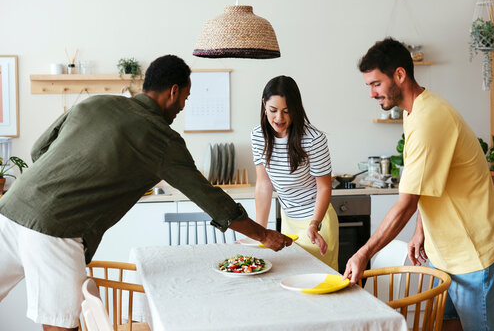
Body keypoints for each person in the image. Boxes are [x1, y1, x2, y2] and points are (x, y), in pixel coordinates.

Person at [0, 55, 292, 331]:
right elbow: (209, 197)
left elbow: (39, 150)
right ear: (173, 92)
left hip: (11, 208)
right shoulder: (161, 138)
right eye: (185, 99)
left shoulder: (94, 103)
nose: (182, 108)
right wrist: (264, 235)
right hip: (56, 228)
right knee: (61, 323)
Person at [343, 38, 494, 331]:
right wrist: (421, 232)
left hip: (474, 253)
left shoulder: (429, 118)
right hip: (443, 253)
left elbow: (407, 203)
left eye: (376, 84)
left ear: (399, 75)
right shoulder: (414, 113)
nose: (371, 93)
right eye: (368, 86)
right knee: (442, 326)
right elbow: (430, 183)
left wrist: (363, 253)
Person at [251, 75, 339, 270]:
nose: (279, 118)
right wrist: (259, 233)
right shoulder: (258, 136)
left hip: (317, 222)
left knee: (318, 283)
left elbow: (324, 188)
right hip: (289, 222)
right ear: (264, 104)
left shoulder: (314, 139)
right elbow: (264, 185)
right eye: (273, 110)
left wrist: (314, 224)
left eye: (286, 111)